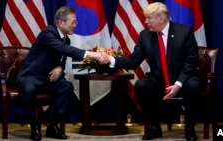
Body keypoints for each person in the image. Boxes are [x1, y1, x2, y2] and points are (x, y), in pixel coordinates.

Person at [104, 2, 202, 141]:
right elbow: (133, 61)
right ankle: (154, 127)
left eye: (149, 18)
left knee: (194, 86)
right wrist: (110, 60)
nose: (146, 22)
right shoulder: (145, 35)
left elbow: (191, 61)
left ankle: (189, 128)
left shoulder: (184, 32)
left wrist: (178, 84)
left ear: (161, 19)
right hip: (159, 79)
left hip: (184, 78)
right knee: (141, 86)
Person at [17, 6, 107, 140]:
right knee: (28, 90)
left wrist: (60, 67)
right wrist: (93, 55)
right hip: (31, 76)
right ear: (61, 23)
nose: (75, 25)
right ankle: (34, 125)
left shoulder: (66, 38)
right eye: (73, 22)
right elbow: (62, 49)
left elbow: (62, 58)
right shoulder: (48, 32)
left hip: (48, 78)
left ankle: (52, 125)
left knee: (66, 87)